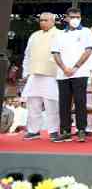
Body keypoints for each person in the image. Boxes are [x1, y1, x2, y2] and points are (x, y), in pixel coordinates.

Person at [50, 8, 92, 142]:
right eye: (72, 17)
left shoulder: (86, 31)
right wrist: (64, 68)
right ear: (67, 18)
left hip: (80, 73)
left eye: (78, 17)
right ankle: (65, 130)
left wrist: (75, 67)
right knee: (64, 103)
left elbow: (88, 51)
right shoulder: (60, 34)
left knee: (80, 101)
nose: (75, 19)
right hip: (62, 73)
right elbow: (55, 52)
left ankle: (81, 130)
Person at [21, 13, 61, 141]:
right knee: (33, 103)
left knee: (51, 104)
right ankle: (33, 131)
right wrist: (25, 72)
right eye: (41, 20)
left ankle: (54, 131)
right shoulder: (34, 35)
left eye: (45, 20)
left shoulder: (60, 34)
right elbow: (27, 54)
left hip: (51, 74)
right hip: (34, 74)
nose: (42, 22)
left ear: (53, 21)